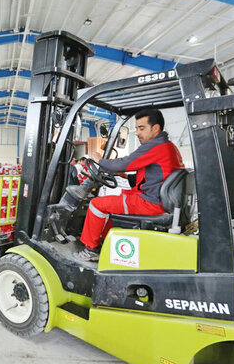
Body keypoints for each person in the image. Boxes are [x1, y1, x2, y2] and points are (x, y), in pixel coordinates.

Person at [75, 109, 184, 262]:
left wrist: (101, 161)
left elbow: (126, 162)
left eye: (141, 128)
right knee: (112, 203)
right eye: (136, 128)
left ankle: (90, 250)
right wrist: (125, 176)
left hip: (149, 203)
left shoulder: (156, 145)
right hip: (157, 199)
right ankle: (108, 245)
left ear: (155, 128)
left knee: (96, 204)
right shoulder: (169, 146)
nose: (137, 133)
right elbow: (154, 176)